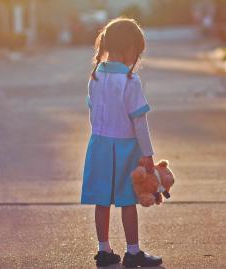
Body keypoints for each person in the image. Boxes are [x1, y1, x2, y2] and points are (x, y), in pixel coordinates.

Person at [80, 17, 162, 268]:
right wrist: (147, 153)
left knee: (101, 200)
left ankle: (103, 250)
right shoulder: (129, 81)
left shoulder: (95, 77)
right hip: (126, 147)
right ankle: (133, 252)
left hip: (99, 145)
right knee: (128, 200)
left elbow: (94, 113)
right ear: (130, 49)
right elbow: (139, 121)